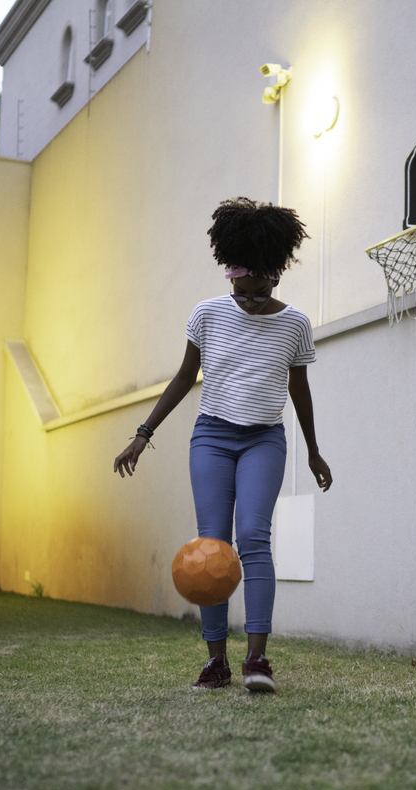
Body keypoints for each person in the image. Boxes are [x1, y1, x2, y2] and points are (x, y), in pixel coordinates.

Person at [114, 197, 332, 694]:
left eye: (256, 293)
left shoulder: (294, 324)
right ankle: (216, 662)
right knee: (211, 547)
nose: (247, 302)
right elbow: (184, 377)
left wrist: (313, 450)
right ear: (229, 276)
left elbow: (300, 390)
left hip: (263, 439)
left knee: (253, 538)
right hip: (211, 436)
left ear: (275, 276)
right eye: (239, 291)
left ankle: (257, 660)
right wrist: (142, 436)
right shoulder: (208, 314)